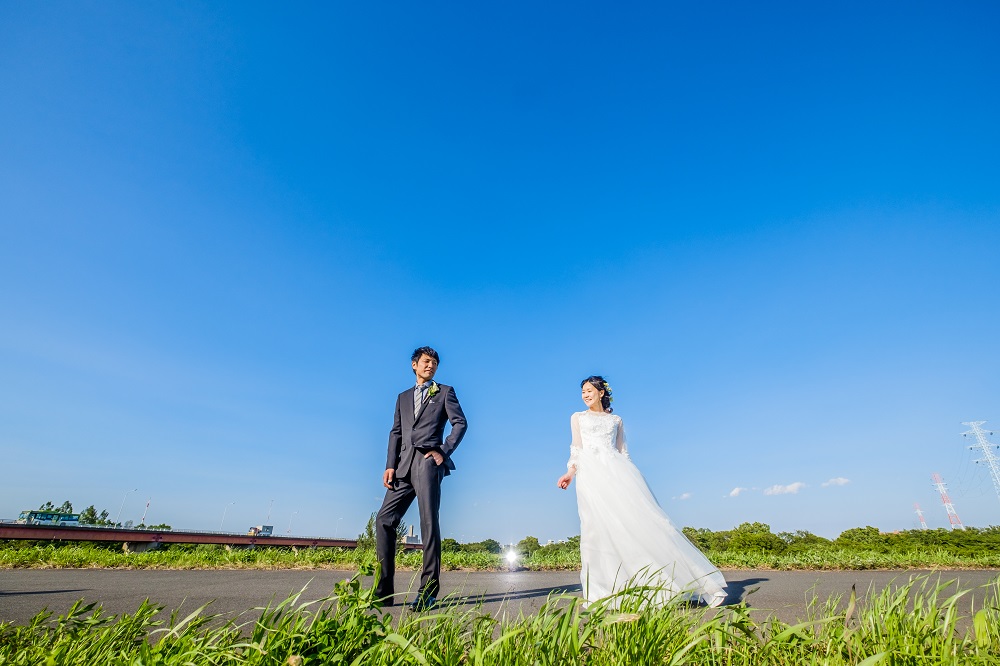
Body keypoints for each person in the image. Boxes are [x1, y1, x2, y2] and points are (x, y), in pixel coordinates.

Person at [556, 376, 727, 607]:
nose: (585, 395)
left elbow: (622, 452)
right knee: (596, 530)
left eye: (589, 391)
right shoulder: (577, 418)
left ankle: (702, 585)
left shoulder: (616, 420)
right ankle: (603, 592)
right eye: (583, 392)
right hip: (590, 479)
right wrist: (569, 473)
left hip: (618, 475)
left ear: (601, 393)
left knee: (644, 525)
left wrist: (633, 480)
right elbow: (576, 449)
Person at [374, 346, 468, 610]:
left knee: (428, 524)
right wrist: (389, 465)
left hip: (427, 463)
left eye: (435, 363)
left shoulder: (445, 392)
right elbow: (396, 432)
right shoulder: (402, 397)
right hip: (402, 466)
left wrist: (443, 450)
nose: (431, 366)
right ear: (414, 365)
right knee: (384, 521)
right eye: (426, 362)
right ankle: (384, 591)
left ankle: (428, 591)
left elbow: (460, 423)